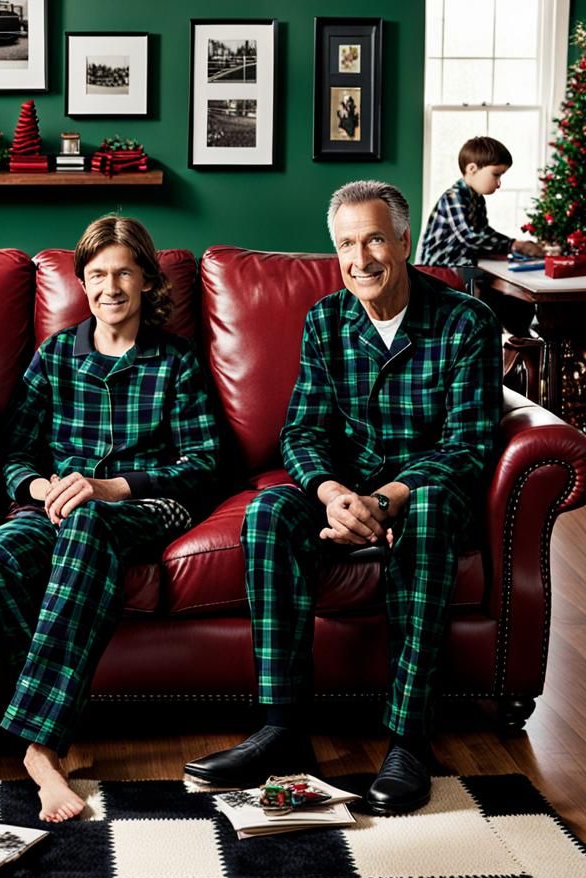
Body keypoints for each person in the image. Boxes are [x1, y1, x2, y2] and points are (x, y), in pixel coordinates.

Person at [185, 181, 503, 815]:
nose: (362, 259)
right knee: (272, 510)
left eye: (376, 239)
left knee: (435, 506)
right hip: (345, 492)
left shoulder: (468, 321)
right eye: (347, 244)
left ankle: (410, 739)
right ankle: (283, 728)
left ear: (405, 241)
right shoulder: (326, 320)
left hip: (426, 491)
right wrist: (332, 494)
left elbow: (468, 444)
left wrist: (386, 500)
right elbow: (301, 430)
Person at [0, 215, 219, 823]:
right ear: (82, 285)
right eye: (96, 275)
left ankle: (38, 749)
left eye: (122, 273)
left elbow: (203, 464)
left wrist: (108, 487)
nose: (109, 287)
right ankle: (47, 719)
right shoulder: (57, 354)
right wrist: (41, 486)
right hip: (58, 500)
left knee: (89, 524)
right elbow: (17, 454)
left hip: (146, 502)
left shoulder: (176, 360)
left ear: (144, 281)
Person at [417, 135, 544, 266]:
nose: (499, 183)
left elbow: (484, 231)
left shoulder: (478, 199)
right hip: (438, 268)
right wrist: (514, 245)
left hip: (461, 263)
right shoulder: (453, 197)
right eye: (496, 174)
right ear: (472, 169)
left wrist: (514, 244)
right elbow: (471, 237)